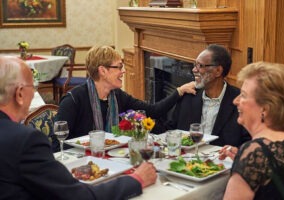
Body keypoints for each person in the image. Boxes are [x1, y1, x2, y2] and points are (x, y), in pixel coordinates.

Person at [0, 56, 157, 200]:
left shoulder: (116, 95)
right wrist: (137, 179)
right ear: (20, 94)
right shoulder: (26, 141)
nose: (34, 92)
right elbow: (79, 197)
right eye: (33, 87)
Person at [54, 45, 196, 147]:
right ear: (103, 71)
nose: (124, 71)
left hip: (110, 157)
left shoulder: (116, 96)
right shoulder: (73, 99)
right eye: (119, 67)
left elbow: (153, 111)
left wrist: (179, 91)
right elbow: (57, 142)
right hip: (81, 162)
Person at [222, 62, 284, 199]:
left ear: (265, 108)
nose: (235, 101)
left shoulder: (254, 153)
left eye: (243, 95)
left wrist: (247, 161)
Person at [159, 44, 250, 147]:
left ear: (218, 71)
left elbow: (248, 142)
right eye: (195, 65)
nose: (194, 70)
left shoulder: (239, 101)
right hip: (186, 161)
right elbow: (170, 130)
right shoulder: (188, 96)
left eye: (200, 66)